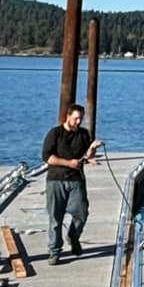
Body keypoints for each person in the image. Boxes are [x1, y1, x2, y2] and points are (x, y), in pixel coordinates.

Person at [40, 104, 101, 263]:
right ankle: (54, 250)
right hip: (56, 179)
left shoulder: (83, 134)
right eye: (75, 118)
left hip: (76, 180)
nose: (78, 121)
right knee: (55, 217)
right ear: (67, 117)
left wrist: (92, 149)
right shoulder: (55, 133)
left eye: (81, 118)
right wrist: (68, 163)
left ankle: (73, 237)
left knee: (81, 213)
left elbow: (87, 156)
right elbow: (47, 157)